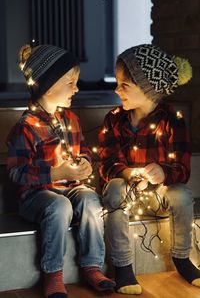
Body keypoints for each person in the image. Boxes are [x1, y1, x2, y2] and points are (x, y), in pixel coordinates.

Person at [6, 44, 115, 298]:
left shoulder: (72, 120)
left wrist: (87, 163)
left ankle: (92, 266)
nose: (76, 88)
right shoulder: (26, 127)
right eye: (70, 82)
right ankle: (53, 274)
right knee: (60, 207)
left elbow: (85, 150)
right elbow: (16, 173)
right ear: (49, 84)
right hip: (37, 197)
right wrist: (54, 174)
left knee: (89, 198)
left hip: (69, 189)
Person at [98, 44, 199, 295]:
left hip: (158, 196)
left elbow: (183, 170)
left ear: (148, 88)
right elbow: (107, 163)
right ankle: (123, 266)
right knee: (114, 188)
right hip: (128, 195)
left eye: (124, 85)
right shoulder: (113, 120)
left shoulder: (172, 119)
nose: (116, 89)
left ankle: (182, 258)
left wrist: (163, 172)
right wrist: (128, 173)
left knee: (183, 195)